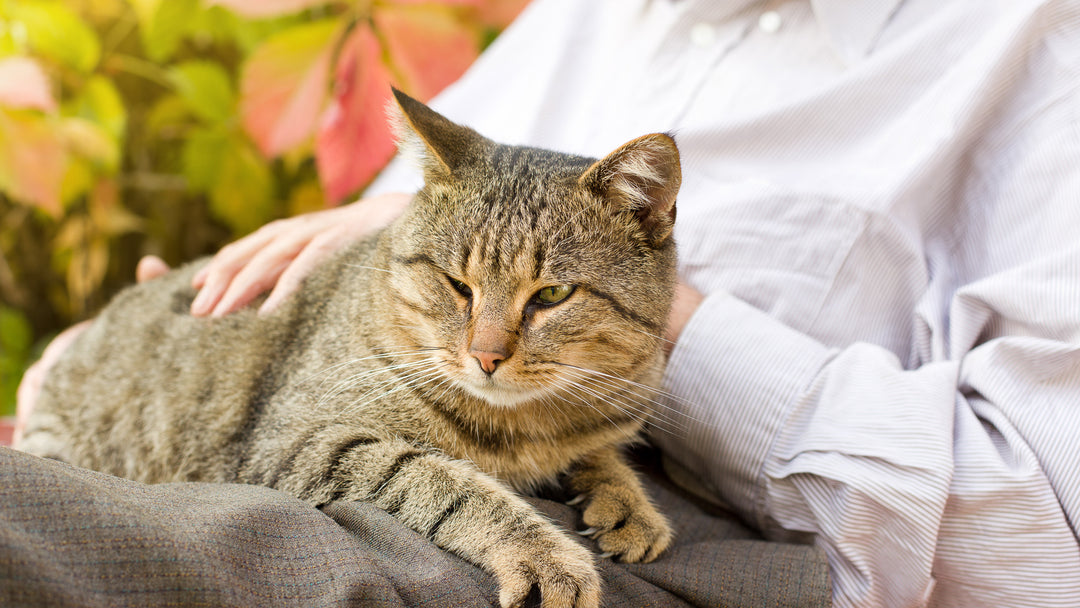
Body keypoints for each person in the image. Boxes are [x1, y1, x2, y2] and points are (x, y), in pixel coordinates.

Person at [16, 0, 1080, 606]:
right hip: (331, 444)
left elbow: (1037, 546)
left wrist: (671, 324)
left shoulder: (1039, 51)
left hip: (653, 551)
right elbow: (411, 243)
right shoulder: (594, 12)